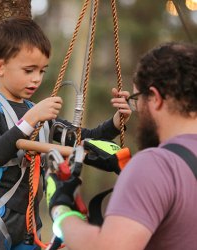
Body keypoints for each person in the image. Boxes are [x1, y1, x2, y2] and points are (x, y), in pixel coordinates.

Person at [0, 17, 131, 250]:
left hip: (28, 223)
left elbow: (86, 139)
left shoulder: (38, 113)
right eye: (29, 70)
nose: (36, 78)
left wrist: (117, 121)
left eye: (42, 71)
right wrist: (32, 119)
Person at [46, 41, 197, 250]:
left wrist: (61, 209)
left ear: (155, 98)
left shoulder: (155, 166)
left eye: (136, 99)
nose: (135, 108)